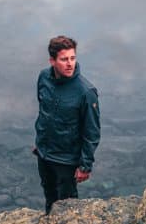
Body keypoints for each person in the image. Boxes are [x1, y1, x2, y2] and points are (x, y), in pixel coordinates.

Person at [33, 35, 100, 214]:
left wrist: (85, 165)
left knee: (67, 208)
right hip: (44, 154)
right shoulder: (43, 77)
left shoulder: (86, 92)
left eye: (72, 58)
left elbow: (92, 132)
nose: (70, 63)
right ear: (52, 61)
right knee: (49, 199)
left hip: (66, 160)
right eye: (64, 59)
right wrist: (41, 142)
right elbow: (44, 112)